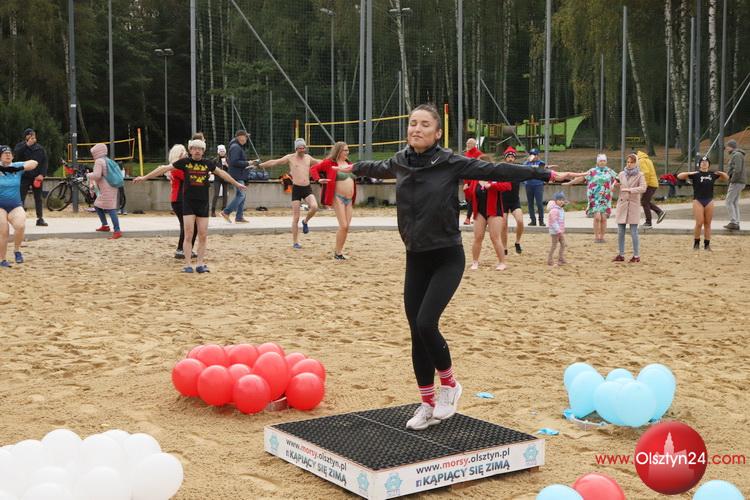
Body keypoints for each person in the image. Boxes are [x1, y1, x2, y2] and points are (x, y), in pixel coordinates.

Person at [350, 103, 579, 430]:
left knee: (426, 322)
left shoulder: (449, 162)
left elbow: (497, 171)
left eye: (424, 124)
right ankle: (427, 404)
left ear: (437, 133)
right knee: (416, 332)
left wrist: (546, 174)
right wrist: (341, 166)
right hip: (415, 257)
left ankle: (450, 385)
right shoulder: (399, 161)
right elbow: (370, 166)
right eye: (413, 123)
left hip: (447, 256)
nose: (416, 129)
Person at [134, 138, 246, 273]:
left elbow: (222, 173)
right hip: (188, 204)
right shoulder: (185, 162)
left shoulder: (208, 163)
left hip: (203, 203)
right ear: (190, 150)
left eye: (200, 149)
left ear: (203, 151)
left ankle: (200, 264)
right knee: (188, 234)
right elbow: (163, 168)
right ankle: (187, 264)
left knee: (203, 235)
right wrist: (144, 177)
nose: (197, 151)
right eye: (194, 148)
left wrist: (236, 184)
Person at [259, 138, 321, 249]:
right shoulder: (290, 158)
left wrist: (334, 161)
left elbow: (321, 162)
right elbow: (275, 162)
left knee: (314, 206)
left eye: (303, 148)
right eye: (300, 148)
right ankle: (295, 242)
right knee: (296, 217)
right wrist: (260, 165)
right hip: (296, 189)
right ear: (296, 148)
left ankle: (305, 221)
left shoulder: (308, 158)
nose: (302, 150)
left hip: (307, 188)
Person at [311, 142, 356, 259]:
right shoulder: (329, 163)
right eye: (345, 150)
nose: (347, 152)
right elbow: (313, 169)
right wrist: (318, 179)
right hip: (338, 197)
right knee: (343, 225)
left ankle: (339, 251)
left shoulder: (349, 164)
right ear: (338, 151)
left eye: (348, 150)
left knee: (346, 227)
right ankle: (338, 253)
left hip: (349, 200)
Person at [465, 155, 511, 270]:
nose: (478, 166)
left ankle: (502, 262)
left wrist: (492, 185)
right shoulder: (475, 178)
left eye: (480, 164)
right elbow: (471, 196)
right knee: (478, 237)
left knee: (495, 237)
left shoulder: (496, 176)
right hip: (479, 211)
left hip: (494, 210)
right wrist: (466, 191)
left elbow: (507, 186)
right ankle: (475, 262)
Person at [677, 156, 729, 251]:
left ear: (709, 164)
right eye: (702, 162)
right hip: (698, 200)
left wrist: (721, 173)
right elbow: (679, 176)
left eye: (706, 162)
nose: (704, 163)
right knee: (699, 222)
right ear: (699, 164)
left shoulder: (712, 174)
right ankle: (696, 243)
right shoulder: (696, 174)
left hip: (709, 200)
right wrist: (690, 173)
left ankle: (707, 245)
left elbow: (726, 178)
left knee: (708, 223)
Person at [564, 153, 618, 243]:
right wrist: (570, 183)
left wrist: (614, 185)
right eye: (600, 161)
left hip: (605, 197)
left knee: (604, 218)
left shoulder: (609, 171)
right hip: (594, 197)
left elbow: (618, 179)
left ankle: (602, 237)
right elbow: (581, 178)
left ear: (606, 162)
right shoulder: (592, 171)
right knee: (597, 217)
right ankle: (596, 237)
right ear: (597, 162)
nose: (602, 162)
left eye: (604, 161)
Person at [0, 145, 38, 267]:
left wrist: (18, 168)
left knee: (20, 226)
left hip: (15, 204)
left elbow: (34, 163)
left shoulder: (16, 166)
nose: (8, 155)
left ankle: (17, 251)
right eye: (5, 153)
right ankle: (3, 259)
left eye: (9, 153)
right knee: (4, 231)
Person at [613, 153, 646, 263]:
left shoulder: (640, 175)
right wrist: (614, 185)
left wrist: (630, 190)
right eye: (628, 162)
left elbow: (643, 188)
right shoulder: (621, 174)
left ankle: (636, 256)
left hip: (633, 205)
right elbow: (616, 182)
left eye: (632, 162)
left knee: (633, 231)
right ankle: (621, 254)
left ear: (636, 163)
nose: (629, 164)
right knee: (620, 231)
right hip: (622, 204)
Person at [166, 144, 197, 259]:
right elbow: (189, 178)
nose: (185, 154)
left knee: (190, 225)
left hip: (182, 199)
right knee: (188, 226)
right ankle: (181, 249)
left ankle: (186, 249)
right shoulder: (177, 168)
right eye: (182, 152)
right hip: (179, 200)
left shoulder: (180, 167)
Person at [86, 143, 123, 239]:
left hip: (107, 187)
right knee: (98, 205)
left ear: (96, 152)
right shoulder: (107, 160)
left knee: (110, 209)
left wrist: (88, 175)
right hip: (112, 186)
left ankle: (117, 231)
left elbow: (97, 175)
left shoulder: (99, 161)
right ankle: (105, 225)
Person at [14, 128, 48, 226]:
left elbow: (44, 162)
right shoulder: (20, 146)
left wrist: (42, 174)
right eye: (30, 136)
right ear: (26, 137)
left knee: (38, 198)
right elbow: (16, 155)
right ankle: (19, 218)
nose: (33, 138)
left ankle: (40, 218)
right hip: (24, 176)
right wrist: (27, 145)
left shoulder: (40, 148)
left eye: (34, 136)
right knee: (21, 197)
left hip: (37, 177)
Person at [221, 130, 257, 224]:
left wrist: (248, 165)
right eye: (246, 136)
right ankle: (226, 212)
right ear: (240, 137)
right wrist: (248, 163)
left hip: (238, 174)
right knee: (241, 195)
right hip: (237, 175)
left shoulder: (236, 146)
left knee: (242, 195)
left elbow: (235, 162)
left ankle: (239, 217)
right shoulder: (236, 147)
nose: (247, 139)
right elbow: (234, 162)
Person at [499, 146, 525, 254]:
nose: (510, 159)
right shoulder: (501, 169)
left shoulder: (518, 170)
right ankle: (504, 248)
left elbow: (530, 171)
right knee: (503, 225)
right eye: (508, 157)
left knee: (520, 221)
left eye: (512, 157)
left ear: (514, 158)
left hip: (514, 201)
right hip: (503, 201)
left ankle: (517, 242)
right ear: (505, 158)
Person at [637, 150, 666, 228]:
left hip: (650, 184)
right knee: (645, 201)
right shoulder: (647, 159)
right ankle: (659, 212)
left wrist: (645, 185)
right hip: (653, 183)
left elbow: (646, 173)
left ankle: (648, 222)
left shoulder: (641, 161)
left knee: (644, 202)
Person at [723, 139, 746, 231]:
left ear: (731, 147)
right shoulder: (737, 155)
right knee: (734, 202)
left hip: (736, 182)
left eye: (727, 146)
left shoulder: (736, 155)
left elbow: (737, 169)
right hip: (739, 181)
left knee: (728, 201)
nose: (726, 148)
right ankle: (736, 222)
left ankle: (733, 222)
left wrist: (732, 180)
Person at [462, 138, 483, 225]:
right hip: (468, 179)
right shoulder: (466, 154)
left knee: (472, 199)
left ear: (474, 145)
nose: (467, 145)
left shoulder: (478, 154)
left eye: (469, 143)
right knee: (468, 199)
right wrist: (465, 182)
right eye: (467, 143)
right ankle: (474, 217)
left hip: (475, 180)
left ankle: (468, 218)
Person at [524, 148, 546, 226]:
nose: (533, 156)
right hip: (528, 185)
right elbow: (523, 169)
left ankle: (541, 220)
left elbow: (540, 171)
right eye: (531, 154)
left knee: (539, 203)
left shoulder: (541, 163)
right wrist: (528, 161)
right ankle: (533, 220)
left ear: (537, 155)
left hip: (538, 185)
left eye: (534, 154)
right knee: (530, 203)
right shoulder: (526, 163)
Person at [547, 192, 567, 266]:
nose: (561, 201)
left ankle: (561, 258)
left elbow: (561, 221)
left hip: (559, 231)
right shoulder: (554, 210)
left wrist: (561, 230)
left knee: (563, 244)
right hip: (555, 231)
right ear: (555, 201)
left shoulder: (561, 209)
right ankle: (550, 259)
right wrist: (558, 230)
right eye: (559, 200)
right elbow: (553, 222)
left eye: (562, 200)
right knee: (554, 245)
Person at [211, 144, 229, 217]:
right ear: (218, 152)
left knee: (225, 195)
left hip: (225, 179)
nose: (222, 153)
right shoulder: (215, 160)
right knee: (216, 194)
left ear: (225, 152)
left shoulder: (228, 159)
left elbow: (231, 169)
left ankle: (223, 210)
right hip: (217, 179)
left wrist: (227, 165)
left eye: (223, 151)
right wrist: (216, 172)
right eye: (221, 151)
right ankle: (213, 211)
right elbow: (211, 169)